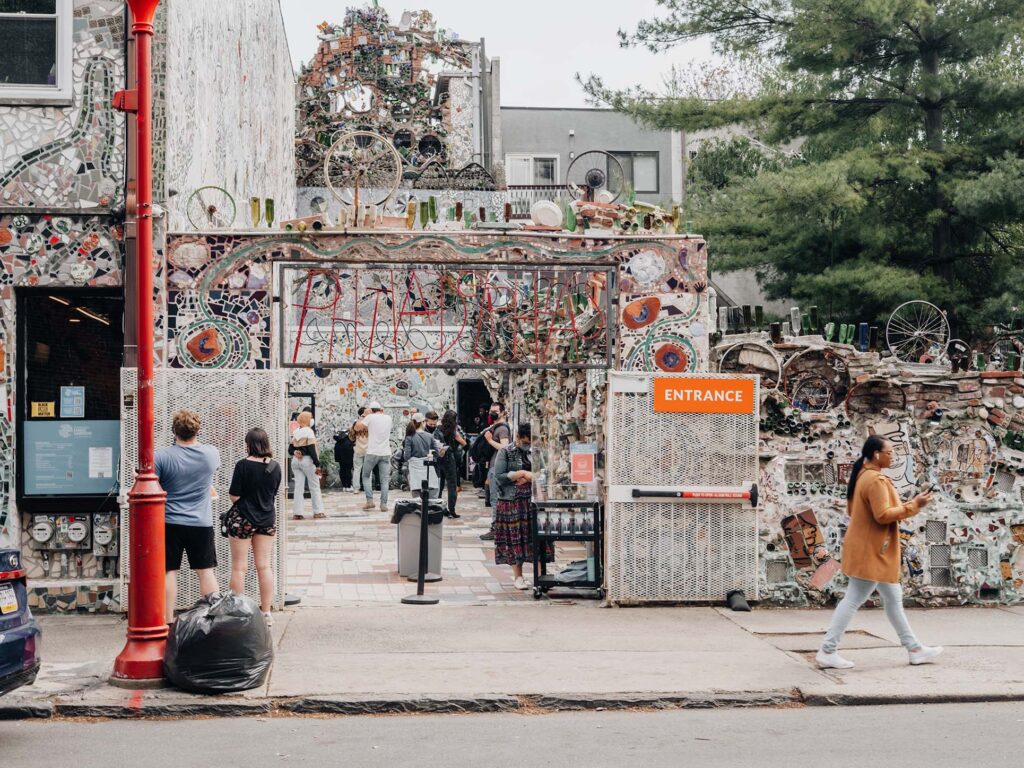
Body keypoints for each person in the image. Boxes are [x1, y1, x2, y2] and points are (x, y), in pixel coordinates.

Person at [816, 435, 943, 669]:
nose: (892, 455)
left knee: (893, 599)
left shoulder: (863, 476)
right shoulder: (875, 481)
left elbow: (856, 511)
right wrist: (915, 504)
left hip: (871, 549)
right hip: (872, 552)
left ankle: (914, 648)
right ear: (876, 454)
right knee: (854, 599)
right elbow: (883, 515)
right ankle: (827, 650)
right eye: (889, 452)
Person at [154, 410, 221, 624]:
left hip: (170, 521)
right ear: (197, 430)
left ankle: (167, 620)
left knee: (169, 571)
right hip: (201, 522)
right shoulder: (211, 454)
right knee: (205, 571)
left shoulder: (162, 457)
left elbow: (154, 486)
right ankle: (212, 618)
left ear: (174, 431)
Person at [225, 428, 282, 626]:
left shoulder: (242, 465)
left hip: (243, 520)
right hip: (266, 520)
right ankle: (266, 612)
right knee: (264, 566)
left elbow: (234, 495)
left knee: (239, 567)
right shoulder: (275, 467)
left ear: (249, 444)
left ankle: (238, 613)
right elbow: (272, 494)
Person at [491, 423, 545, 590]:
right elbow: (498, 476)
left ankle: (540, 576)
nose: (527, 444)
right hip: (511, 501)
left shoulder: (536, 452)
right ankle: (518, 576)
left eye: (529, 441)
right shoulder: (505, 451)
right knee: (515, 539)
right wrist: (520, 474)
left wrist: (531, 477)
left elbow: (544, 473)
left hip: (532, 500)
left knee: (536, 537)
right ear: (517, 437)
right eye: (524, 441)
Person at [480, 402, 512, 540]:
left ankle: (496, 528)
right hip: (493, 465)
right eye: (491, 411)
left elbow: (505, 447)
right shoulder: (496, 427)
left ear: (503, 412)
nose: (492, 413)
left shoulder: (503, 429)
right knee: (494, 498)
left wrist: (489, 440)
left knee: (495, 499)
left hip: (497, 467)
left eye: (496, 411)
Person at [358, 401, 393, 512]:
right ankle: (383, 504)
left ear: (371, 410)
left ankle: (370, 501)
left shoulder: (370, 417)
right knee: (384, 480)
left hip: (372, 452)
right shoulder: (388, 418)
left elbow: (357, 428)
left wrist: (364, 416)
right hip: (385, 452)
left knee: (366, 475)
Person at [290, 411, 324, 520]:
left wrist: (295, 452)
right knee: (314, 486)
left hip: (296, 461)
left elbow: (290, 449)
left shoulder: (296, 432)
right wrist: (317, 464)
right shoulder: (309, 431)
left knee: (298, 487)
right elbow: (312, 449)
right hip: (307, 461)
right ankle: (318, 512)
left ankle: (297, 513)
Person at [403, 414, 446, 498]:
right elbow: (437, 454)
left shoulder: (409, 437)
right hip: (428, 468)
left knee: (416, 497)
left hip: (414, 470)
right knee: (432, 495)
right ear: (423, 422)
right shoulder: (430, 436)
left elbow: (406, 457)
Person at [437, 409, 467, 518]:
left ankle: (437, 507)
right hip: (450, 459)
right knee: (452, 485)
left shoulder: (438, 429)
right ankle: (452, 509)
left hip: (439, 458)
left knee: (439, 485)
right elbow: (464, 443)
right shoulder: (454, 431)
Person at [351, 407, 369, 494]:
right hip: (368, 449)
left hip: (358, 448)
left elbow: (351, 436)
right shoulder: (369, 423)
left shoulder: (356, 423)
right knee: (368, 469)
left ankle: (356, 488)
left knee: (357, 469)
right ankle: (367, 487)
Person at [333, 425, 355, 491]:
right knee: (348, 469)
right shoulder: (349, 434)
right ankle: (349, 486)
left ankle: (344, 486)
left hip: (338, 450)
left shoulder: (341, 435)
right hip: (347, 451)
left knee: (342, 468)